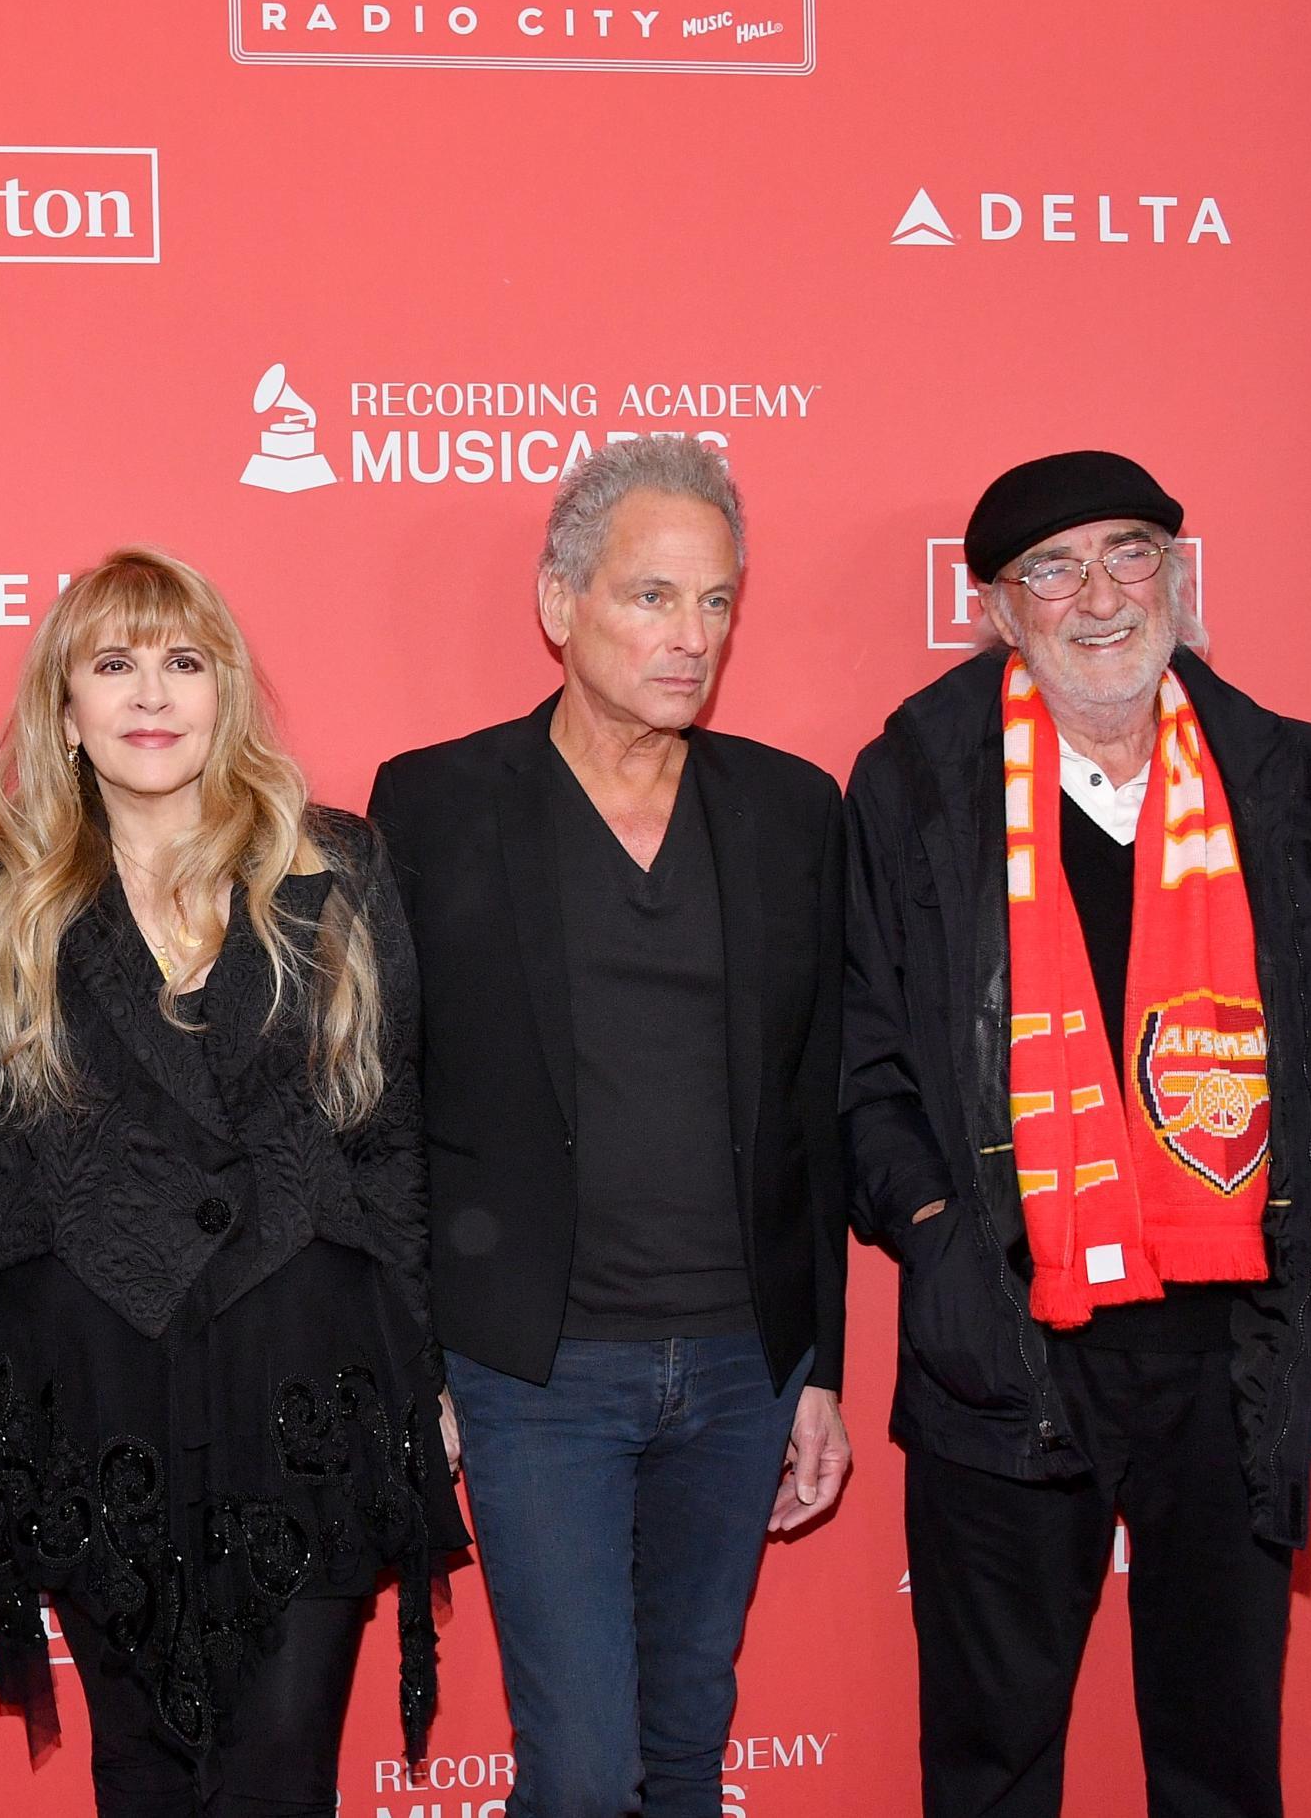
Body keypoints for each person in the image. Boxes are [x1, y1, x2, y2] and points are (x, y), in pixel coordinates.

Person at [843, 449, 1311, 1817]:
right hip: (1003, 1347)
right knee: (990, 1771)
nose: (1097, 596)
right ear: (998, 607)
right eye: (1052, 568)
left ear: (1179, 572)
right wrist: (939, 1248)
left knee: (1222, 1772)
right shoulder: (914, 790)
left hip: (1237, 1361)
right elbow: (863, 1072)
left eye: (1130, 553)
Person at [368, 436, 852, 1818]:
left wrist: (815, 1361)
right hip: (536, 1368)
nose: (689, 637)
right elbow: (388, 1105)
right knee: (582, 1771)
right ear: (558, 601)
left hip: (740, 1362)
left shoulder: (789, 810)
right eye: (651, 597)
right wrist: (422, 1364)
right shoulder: (437, 804)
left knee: (689, 1747)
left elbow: (815, 1108)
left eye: (714, 603)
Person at [0, 548, 465, 1815]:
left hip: (306, 1373)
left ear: (225, 692)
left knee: (279, 1765)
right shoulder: (2, 890)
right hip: (94, 1382)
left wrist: (426, 1379)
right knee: (140, 1762)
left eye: (183, 662)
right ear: (64, 708)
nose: (151, 695)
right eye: (114, 663)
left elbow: (390, 1137)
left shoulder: (334, 864)